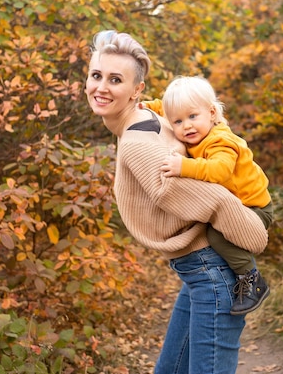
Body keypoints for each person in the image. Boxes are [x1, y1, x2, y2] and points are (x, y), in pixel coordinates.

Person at [85, 30, 269, 374]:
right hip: (198, 270)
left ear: (136, 90)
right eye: (96, 76)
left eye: (115, 79)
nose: (102, 87)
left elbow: (212, 197)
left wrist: (252, 233)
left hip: (211, 272)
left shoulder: (138, 142)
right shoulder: (150, 118)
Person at [140, 77, 273, 315]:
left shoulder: (220, 141)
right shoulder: (197, 129)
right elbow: (166, 106)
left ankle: (252, 279)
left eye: (193, 117)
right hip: (234, 205)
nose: (187, 126)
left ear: (212, 113)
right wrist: (144, 107)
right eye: (178, 121)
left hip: (254, 208)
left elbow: (219, 172)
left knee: (216, 235)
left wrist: (184, 167)